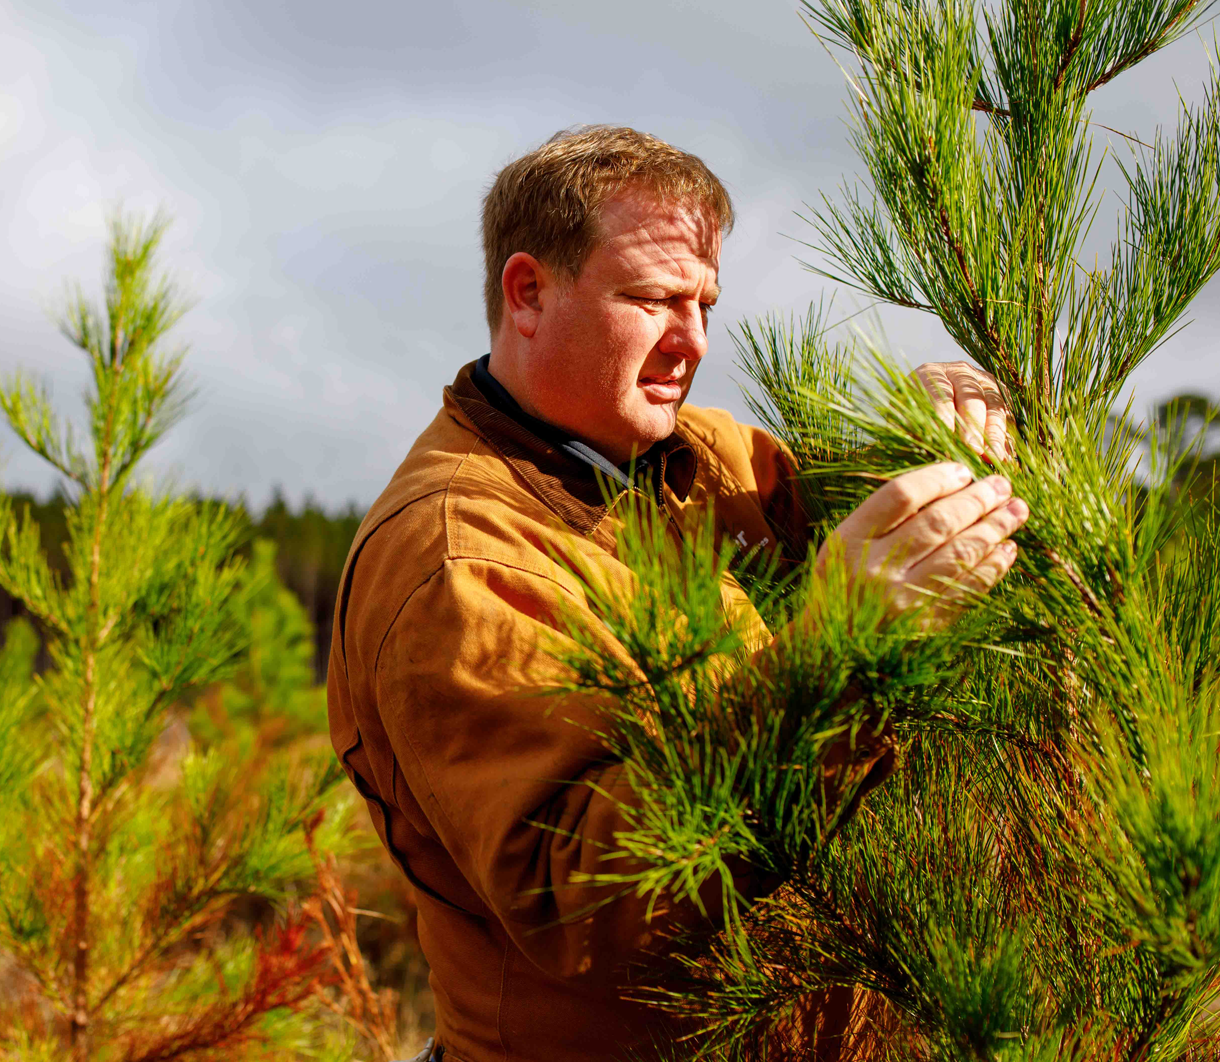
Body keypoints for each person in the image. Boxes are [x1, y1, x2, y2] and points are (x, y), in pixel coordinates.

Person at [327, 126, 1029, 1062]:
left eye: (704, 302)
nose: (691, 341)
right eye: (653, 299)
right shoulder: (457, 559)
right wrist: (835, 654)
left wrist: (927, 425)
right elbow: (590, 900)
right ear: (527, 293)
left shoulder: (688, 457)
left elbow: (825, 514)